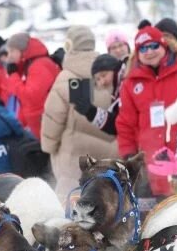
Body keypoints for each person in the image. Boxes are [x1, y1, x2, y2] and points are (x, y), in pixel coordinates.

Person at [115, 26, 177, 197]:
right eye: (143, 48)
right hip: (149, 164)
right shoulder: (131, 83)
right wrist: (130, 156)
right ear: (137, 53)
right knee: (152, 217)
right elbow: (125, 123)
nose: (149, 52)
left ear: (164, 46)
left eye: (154, 46)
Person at [41, 26, 120, 200]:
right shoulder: (109, 73)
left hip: (73, 160)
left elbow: (53, 118)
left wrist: (49, 146)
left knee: (70, 206)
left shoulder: (66, 77)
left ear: (69, 46)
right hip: (109, 156)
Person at [5, 33, 61, 140]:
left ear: (22, 51)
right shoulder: (31, 65)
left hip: (47, 127)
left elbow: (30, 97)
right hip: (41, 126)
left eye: (12, 51)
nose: (9, 56)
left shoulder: (39, 66)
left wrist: (13, 75)